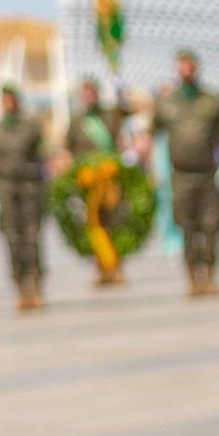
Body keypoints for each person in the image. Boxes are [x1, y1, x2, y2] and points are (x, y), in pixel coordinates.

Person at [153, 51, 219, 296]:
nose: (186, 70)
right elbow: (153, 133)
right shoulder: (167, 102)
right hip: (181, 174)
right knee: (187, 225)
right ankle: (193, 274)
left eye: (189, 65)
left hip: (206, 172)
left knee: (210, 224)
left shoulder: (210, 101)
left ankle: (210, 272)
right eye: (181, 66)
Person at [0, 81, 47, 310]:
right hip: (7, 191)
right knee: (12, 238)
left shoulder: (31, 127)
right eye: (4, 100)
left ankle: (35, 283)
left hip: (30, 189)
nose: (7, 104)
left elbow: (42, 157)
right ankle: (20, 285)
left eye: (10, 99)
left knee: (31, 238)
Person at [67, 79, 125, 288]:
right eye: (85, 93)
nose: (88, 97)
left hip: (109, 177)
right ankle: (100, 268)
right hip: (88, 180)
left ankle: (116, 267)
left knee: (114, 222)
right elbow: (70, 147)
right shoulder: (77, 121)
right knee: (93, 225)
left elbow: (121, 127)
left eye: (92, 93)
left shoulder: (109, 116)